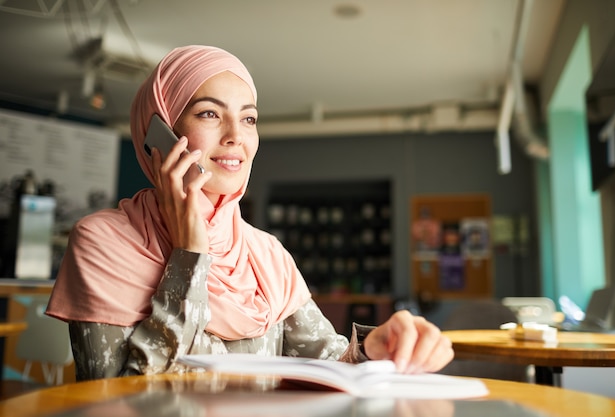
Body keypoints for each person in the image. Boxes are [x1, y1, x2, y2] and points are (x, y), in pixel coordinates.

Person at [46, 45, 453, 381]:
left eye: (249, 118)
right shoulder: (102, 240)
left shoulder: (266, 253)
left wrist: (370, 350)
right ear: (160, 131)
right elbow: (119, 393)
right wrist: (189, 254)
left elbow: (328, 365)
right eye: (209, 113)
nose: (236, 137)